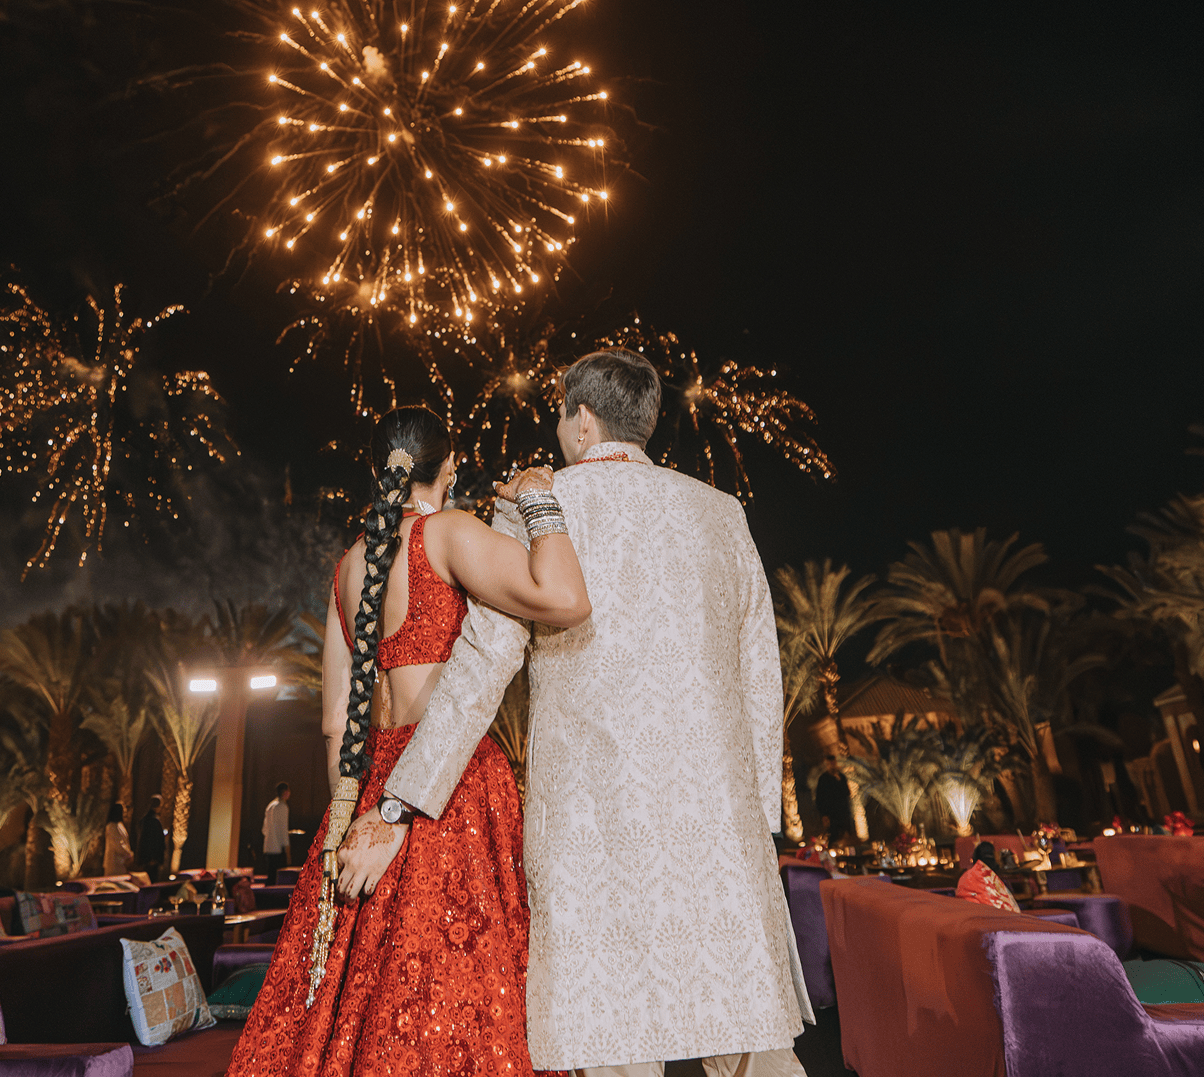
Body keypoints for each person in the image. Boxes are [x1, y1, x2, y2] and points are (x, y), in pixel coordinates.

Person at [350, 349, 813, 1077]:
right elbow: (762, 673)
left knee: (612, 1040)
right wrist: (760, 816)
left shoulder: (535, 507)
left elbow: (480, 666)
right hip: (717, 816)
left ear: (582, 419)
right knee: (747, 1032)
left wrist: (400, 800)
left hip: (592, 817)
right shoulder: (722, 513)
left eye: (560, 412)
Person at [226, 405, 591, 1076]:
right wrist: (537, 503)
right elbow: (563, 597)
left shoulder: (348, 566)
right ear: (449, 466)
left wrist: (351, 819)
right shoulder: (448, 534)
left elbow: (338, 721)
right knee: (455, 996)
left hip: (367, 789)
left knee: (348, 998)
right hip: (446, 784)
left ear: (377, 468)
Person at [135, 794, 169, 882]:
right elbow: (156, 841)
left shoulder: (144, 819)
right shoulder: (155, 821)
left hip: (144, 857)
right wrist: (156, 858)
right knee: (152, 881)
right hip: (152, 859)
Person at [261, 783, 292, 880]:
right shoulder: (282, 806)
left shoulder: (270, 806)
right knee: (278, 878)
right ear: (286, 792)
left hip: (268, 846)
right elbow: (283, 830)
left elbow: (264, 829)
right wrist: (288, 851)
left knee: (270, 876)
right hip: (278, 848)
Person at [103, 802, 132, 876]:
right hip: (114, 862)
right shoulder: (112, 826)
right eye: (123, 812)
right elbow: (118, 844)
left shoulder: (119, 825)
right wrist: (129, 854)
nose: (125, 814)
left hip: (121, 862)